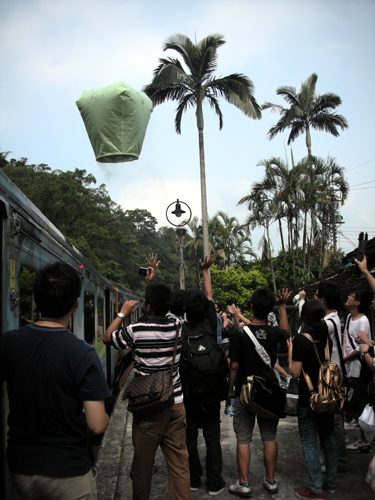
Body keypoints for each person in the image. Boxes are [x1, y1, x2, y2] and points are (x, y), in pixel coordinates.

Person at [1, 261, 111, 500]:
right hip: (67, 471)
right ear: (76, 303)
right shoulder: (82, 353)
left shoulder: (8, 343)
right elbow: (97, 425)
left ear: (36, 299)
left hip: (21, 467)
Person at [103, 258, 191, 500]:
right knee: (180, 466)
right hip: (175, 403)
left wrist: (123, 312)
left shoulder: (136, 330)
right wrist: (152, 284)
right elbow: (163, 306)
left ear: (147, 306)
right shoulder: (177, 325)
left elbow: (107, 337)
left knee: (142, 468)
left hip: (149, 406)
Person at [227, 287, 290, 497]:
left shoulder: (239, 333)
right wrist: (282, 306)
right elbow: (286, 334)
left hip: (245, 391)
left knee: (243, 438)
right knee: (269, 436)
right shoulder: (274, 333)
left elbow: (234, 366)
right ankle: (270, 480)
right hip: (269, 391)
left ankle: (244, 484)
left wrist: (230, 391)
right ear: (269, 308)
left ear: (251, 307)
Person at [181, 256, 227, 496]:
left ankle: (194, 478)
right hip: (211, 392)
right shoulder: (211, 323)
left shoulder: (180, 331)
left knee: (189, 438)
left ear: (185, 310)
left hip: (189, 395)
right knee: (212, 437)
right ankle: (215, 482)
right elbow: (210, 299)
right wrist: (205, 271)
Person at [287, 299, 338, 500]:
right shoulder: (326, 336)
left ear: (304, 316)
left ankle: (316, 488)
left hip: (309, 397)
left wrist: (291, 351)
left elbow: (295, 372)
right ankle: (331, 483)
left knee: (309, 442)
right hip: (327, 394)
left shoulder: (301, 340)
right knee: (328, 439)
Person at [315, 281, 347, 473]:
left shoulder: (326, 324)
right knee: (335, 419)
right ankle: (337, 458)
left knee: (332, 421)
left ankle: (337, 461)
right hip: (335, 373)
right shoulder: (335, 318)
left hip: (330, 377)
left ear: (323, 300)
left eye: (316, 296)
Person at [342, 288, 373, 452]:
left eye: (352, 296)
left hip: (358, 368)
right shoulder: (348, 317)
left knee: (356, 405)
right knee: (348, 404)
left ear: (358, 302)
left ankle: (365, 438)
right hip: (347, 366)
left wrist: (345, 358)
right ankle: (363, 436)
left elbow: (363, 347)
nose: (348, 297)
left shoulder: (363, 321)